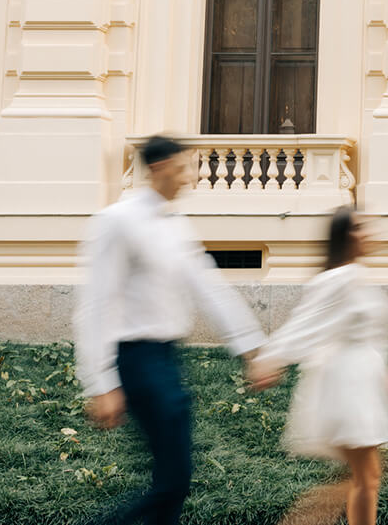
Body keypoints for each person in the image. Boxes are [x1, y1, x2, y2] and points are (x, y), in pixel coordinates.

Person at [74, 134, 277, 525]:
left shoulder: (174, 224)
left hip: (167, 359)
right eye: (185, 168)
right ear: (160, 168)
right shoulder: (118, 220)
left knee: (175, 478)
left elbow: (209, 287)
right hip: (135, 360)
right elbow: (95, 304)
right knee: (173, 480)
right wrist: (99, 383)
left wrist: (253, 350)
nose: (191, 178)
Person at [252, 207, 388, 525]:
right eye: (361, 227)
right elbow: (305, 322)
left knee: (369, 477)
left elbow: (366, 332)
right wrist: (271, 358)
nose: (370, 233)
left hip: (361, 383)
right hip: (347, 388)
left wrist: (385, 374)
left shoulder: (356, 277)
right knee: (367, 477)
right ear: (346, 236)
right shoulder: (338, 279)